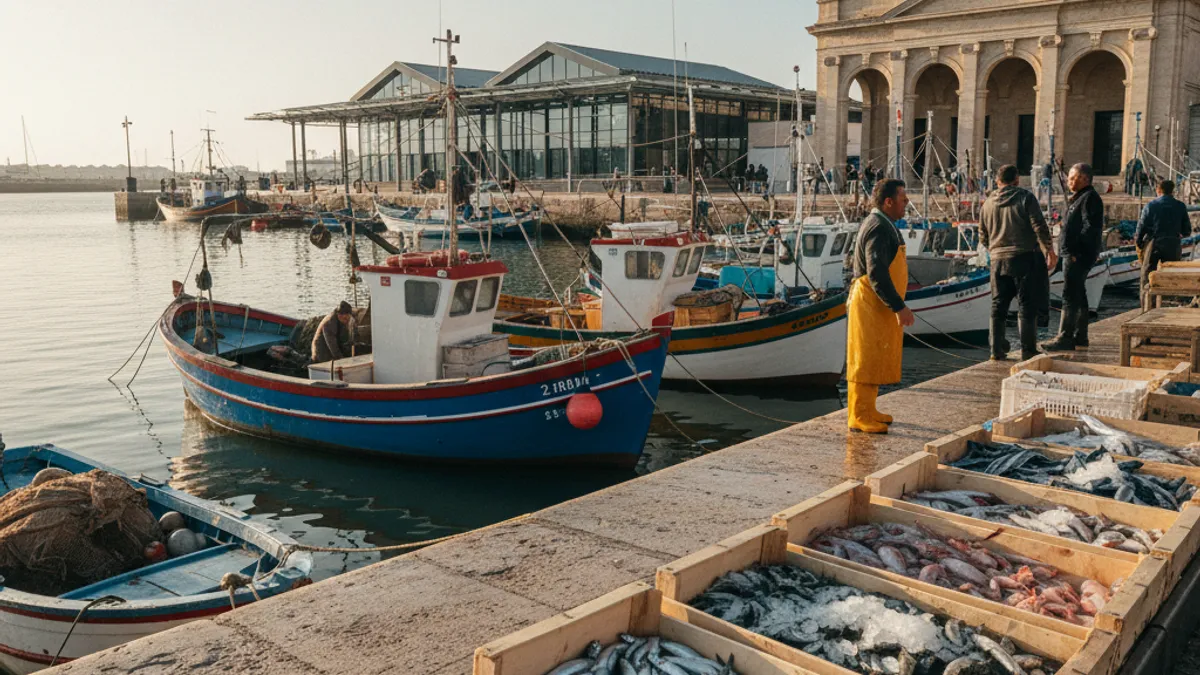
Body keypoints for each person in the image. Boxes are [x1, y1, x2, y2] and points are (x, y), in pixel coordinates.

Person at [846, 179, 916, 434]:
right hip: (868, 303)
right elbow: (876, 273)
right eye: (903, 199)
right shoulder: (878, 227)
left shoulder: (884, 224)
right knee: (864, 358)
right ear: (889, 202)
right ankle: (858, 414)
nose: (906, 203)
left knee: (875, 356)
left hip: (877, 305)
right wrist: (899, 307)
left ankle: (869, 407)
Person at [978, 164, 1058, 361]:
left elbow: (982, 236)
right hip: (1024, 257)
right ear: (1017, 180)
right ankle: (1028, 349)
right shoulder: (1025, 197)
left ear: (998, 181)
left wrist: (994, 249)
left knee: (998, 306)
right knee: (1026, 305)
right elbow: (1039, 226)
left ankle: (995, 350)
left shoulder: (987, 203)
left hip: (998, 259)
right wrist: (1050, 251)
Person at [1041, 164, 1105, 351]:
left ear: (1084, 179)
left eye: (1072, 178)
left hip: (1077, 255)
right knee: (1079, 294)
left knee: (1069, 294)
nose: (1069, 182)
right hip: (1073, 253)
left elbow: (1090, 228)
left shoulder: (1089, 199)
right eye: (1068, 178)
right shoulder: (1079, 198)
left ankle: (1065, 336)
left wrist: (1076, 251)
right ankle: (1080, 336)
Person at [1136, 179, 1192, 297]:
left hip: (1154, 243)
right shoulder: (1180, 206)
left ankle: (1148, 300)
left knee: (1148, 275)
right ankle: (1170, 300)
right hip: (1172, 243)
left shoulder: (1150, 206)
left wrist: (1139, 241)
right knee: (1172, 274)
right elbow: (1187, 230)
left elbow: (1142, 226)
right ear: (1172, 191)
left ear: (1158, 190)